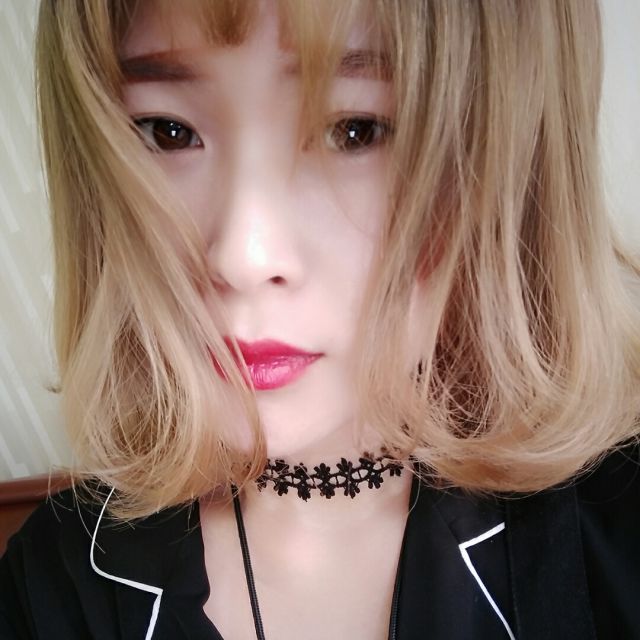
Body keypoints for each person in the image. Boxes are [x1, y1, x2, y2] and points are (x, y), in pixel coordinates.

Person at [2, 0, 640, 638]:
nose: (244, 258)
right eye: (167, 131)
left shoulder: (616, 519)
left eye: (356, 129)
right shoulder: (51, 585)